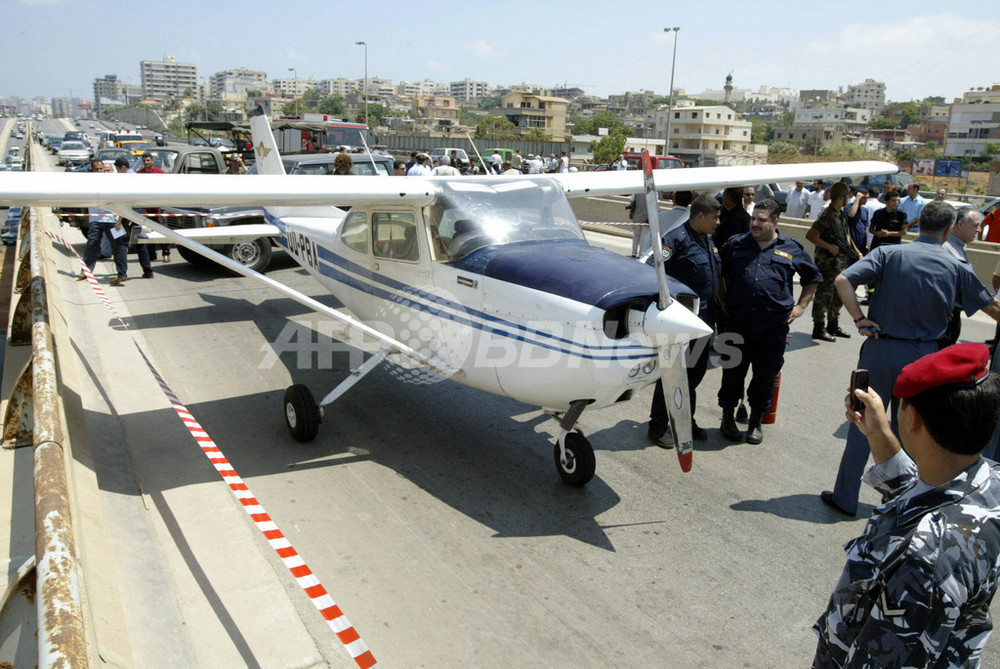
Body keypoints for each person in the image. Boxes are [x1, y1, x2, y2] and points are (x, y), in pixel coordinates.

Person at [813, 343, 1000, 667]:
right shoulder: (987, 481)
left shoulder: (925, 560)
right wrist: (879, 433)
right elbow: (924, 495)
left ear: (911, 418)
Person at [821, 201, 1000, 516]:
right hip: (922, 355)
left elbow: (842, 280)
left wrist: (859, 317)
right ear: (947, 230)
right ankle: (902, 498)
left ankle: (845, 496)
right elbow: (989, 307)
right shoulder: (957, 266)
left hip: (879, 349)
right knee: (912, 429)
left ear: (919, 226)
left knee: (863, 420)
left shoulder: (889, 253)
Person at [718, 199, 821, 444]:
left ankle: (755, 421)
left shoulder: (792, 248)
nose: (754, 223)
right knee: (732, 374)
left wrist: (801, 306)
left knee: (764, 376)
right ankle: (727, 418)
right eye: (754, 218)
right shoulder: (735, 245)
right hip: (736, 325)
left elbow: (812, 277)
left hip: (772, 329)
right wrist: (722, 301)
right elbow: (718, 273)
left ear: (775, 221)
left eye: (761, 220)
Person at [647, 194, 722, 446]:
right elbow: (651, 269)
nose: (718, 222)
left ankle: (685, 418)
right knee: (672, 374)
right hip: (682, 323)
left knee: (695, 373)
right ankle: (658, 426)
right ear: (700, 216)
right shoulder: (676, 239)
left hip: (704, 322)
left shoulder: (707, 240)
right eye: (715, 217)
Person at [806, 182, 859, 342]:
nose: (847, 200)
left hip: (840, 263)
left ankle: (833, 325)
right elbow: (811, 235)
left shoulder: (841, 214)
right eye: (846, 197)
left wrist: (856, 252)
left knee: (837, 296)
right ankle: (819, 328)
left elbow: (847, 236)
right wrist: (829, 247)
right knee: (824, 295)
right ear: (841, 198)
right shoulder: (827, 215)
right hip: (827, 264)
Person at [939, 206, 984, 348]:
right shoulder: (945, 248)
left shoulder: (959, 247)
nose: (979, 230)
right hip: (942, 318)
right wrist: (940, 306)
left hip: (952, 316)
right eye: (975, 226)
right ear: (960, 224)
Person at [81, 159, 130, 285]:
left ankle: (122, 273)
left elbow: (122, 201)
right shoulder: (89, 183)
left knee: (119, 246)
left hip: (113, 220)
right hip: (96, 220)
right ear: (92, 170)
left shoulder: (113, 182)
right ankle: (86, 271)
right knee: (92, 244)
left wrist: (119, 220)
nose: (99, 171)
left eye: (101, 169)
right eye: (96, 169)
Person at [136, 152, 169, 262]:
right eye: (144, 161)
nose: (146, 163)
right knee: (147, 231)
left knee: (161, 230)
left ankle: (166, 252)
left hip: (157, 207)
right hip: (145, 207)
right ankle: (151, 254)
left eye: (148, 160)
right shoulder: (139, 173)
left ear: (152, 161)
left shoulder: (160, 173)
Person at [844, 186, 870, 258]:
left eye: (866, 198)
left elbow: (866, 228)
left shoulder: (865, 210)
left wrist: (867, 243)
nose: (865, 200)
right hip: (852, 243)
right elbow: (851, 214)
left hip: (862, 244)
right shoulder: (848, 207)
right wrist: (857, 199)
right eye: (863, 198)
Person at [626, 190, 652, 258]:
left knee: (636, 235)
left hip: (637, 215)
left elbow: (632, 202)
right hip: (647, 217)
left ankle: (634, 252)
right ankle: (641, 253)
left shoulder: (637, 190)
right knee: (644, 236)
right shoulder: (652, 191)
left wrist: (631, 213)